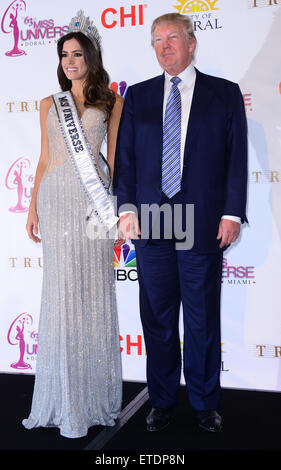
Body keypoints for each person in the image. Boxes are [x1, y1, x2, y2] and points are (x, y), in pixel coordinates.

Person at [114, 13, 247, 433]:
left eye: (172, 37)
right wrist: (126, 209)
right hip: (151, 222)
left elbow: (236, 159)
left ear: (192, 43)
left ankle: (205, 401)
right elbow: (127, 159)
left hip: (203, 221)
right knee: (156, 316)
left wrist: (231, 213)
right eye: (157, 40)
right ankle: (163, 400)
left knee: (203, 316)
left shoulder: (224, 94)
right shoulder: (138, 96)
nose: (164, 46)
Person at [23, 10, 123, 439]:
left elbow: (116, 161)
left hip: (92, 206)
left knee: (92, 292)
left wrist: (121, 211)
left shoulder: (112, 102)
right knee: (62, 294)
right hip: (56, 203)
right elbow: (45, 159)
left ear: (91, 58)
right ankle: (61, 397)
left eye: (77, 54)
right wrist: (31, 207)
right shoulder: (50, 103)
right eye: (64, 54)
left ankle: (93, 397)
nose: (69, 61)